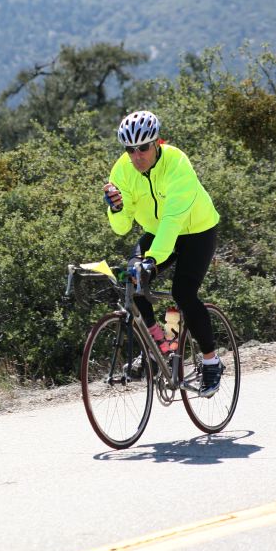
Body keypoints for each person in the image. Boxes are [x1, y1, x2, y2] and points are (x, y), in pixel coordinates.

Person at [102, 110, 224, 396]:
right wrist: (116, 208)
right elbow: (121, 228)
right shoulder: (122, 171)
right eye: (130, 149)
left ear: (157, 143)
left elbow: (172, 221)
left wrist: (152, 260)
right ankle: (159, 348)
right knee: (132, 279)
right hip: (159, 234)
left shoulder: (178, 164)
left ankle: (211, 361)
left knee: (183, 293)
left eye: (143, 147)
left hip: (197, 230)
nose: (137, 156)